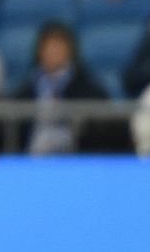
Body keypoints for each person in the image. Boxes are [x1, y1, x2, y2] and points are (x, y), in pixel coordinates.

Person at [13, 21, 111, 156]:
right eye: (49, 46)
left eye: (59, 46)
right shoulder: (26, 90)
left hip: (74, 159)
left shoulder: (87, 88)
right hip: (33, 159)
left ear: (70, 50)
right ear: (39, 50)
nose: (54, 51)